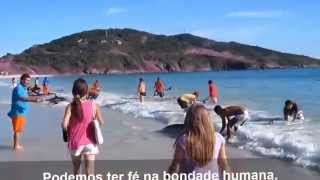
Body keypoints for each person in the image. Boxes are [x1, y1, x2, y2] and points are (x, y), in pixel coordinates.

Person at [168, 104, 229, 176]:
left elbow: (175, 165)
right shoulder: (218, 138)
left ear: (189, 120)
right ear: (208, 119)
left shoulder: (184, 139)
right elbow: (224, 165)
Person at [61, 78, 104, 175]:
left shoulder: (70, 106)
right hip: (90, 142)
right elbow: (101, 122)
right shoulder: (94, 105)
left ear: (73, 91)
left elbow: (64, 125)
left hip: (75, 143)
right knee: (90, 172)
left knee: (76, 170)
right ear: (86, 91)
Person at [7, 73, 42, 150]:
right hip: (18, 112)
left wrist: (35, 97)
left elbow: (26, 96)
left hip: (21, 112)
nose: (28, 82)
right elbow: (23, 98)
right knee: (17, 130)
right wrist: (34, 100)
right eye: (26, 80)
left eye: (29, 80)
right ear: (22, 80)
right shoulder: (18, 88)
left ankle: (17, 144)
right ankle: (16, 146)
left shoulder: (23, 88)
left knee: (19, 129)